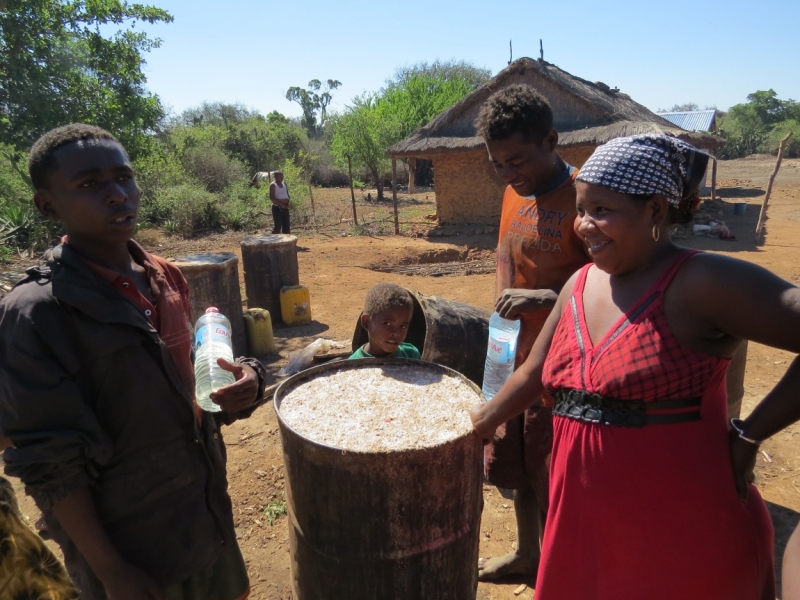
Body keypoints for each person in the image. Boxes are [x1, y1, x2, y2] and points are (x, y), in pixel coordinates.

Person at [471, 133, 797, 599]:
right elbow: (535, 371)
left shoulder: (700, 282)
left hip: (675, 528)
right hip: (583, 519)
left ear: (656, 212)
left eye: (603, 210)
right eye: (582, 210)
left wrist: (750, 434)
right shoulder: (581, 283)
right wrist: (479, 424)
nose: (584, 226)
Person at [0, 124, 269, 600]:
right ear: (47, 205)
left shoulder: (163, 276)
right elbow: (50, 460)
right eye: (89, 185)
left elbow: (185, 384)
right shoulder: (37, 313)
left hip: (204, 511)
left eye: (123, 177)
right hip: (132, 544)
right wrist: (110, 569)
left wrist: (245, 380)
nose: (117, 194)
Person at [473, 84, 590, 580]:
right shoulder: (510, 194)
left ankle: (560, 566)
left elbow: (607, 282)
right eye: (498, 164)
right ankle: (527, 553)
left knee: (555, 474)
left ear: (551, 139)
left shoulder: (586, 198)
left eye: (517, 160)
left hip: (560, 364)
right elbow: (507, 259)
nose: (507, 173)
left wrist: (543, 299)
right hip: (508, 357)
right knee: (518, 468)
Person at [349, 283, 421, 359]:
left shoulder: (411, 354)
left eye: (403, 326)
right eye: (387, 323)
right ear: (366, 322)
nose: (396, 333)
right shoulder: (352, 366)